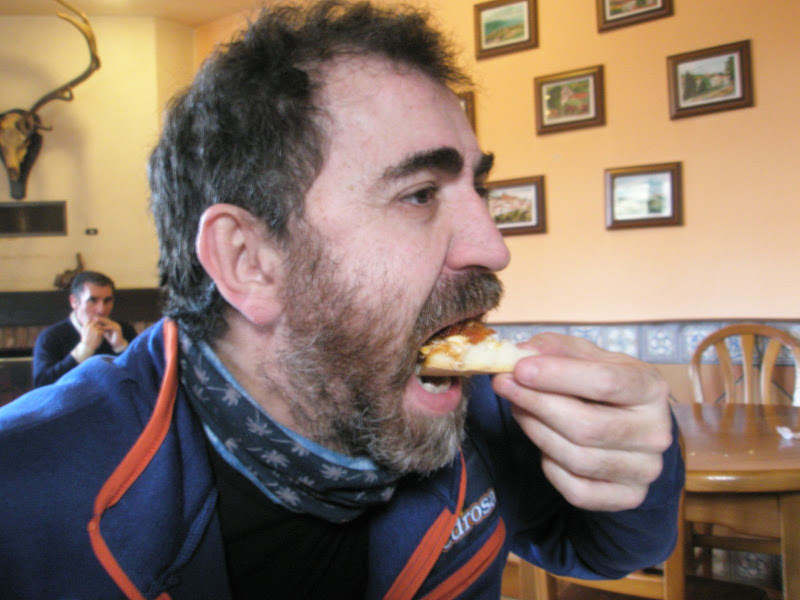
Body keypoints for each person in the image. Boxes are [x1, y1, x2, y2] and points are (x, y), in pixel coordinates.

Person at [0, 2, 684, 599]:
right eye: (420, 194)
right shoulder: (25, 495)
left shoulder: (480, 410)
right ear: (248, 261)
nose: (494, 247)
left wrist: (636, 461)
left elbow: (601, 549)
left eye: (479, 190)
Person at [31, 270, 138, 388]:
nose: (101, 310)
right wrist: (84, 350)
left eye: (107, 301)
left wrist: (121, 348)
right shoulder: (51, 337)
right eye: (93, 300)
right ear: (74, 302)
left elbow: (143, 382)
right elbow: (42, 385)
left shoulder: (125, 331)